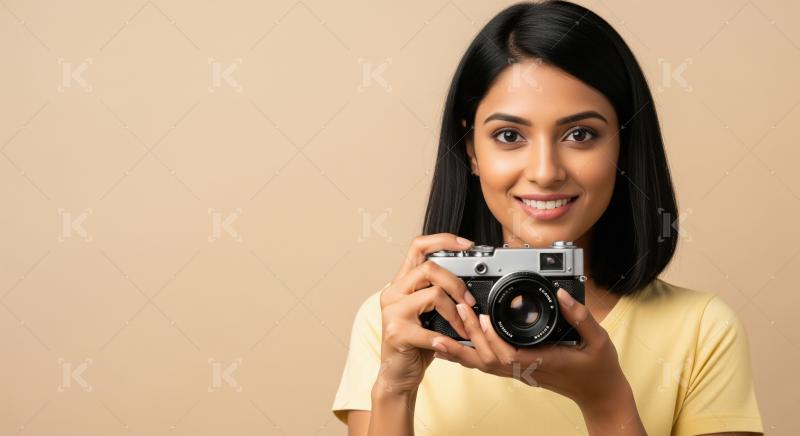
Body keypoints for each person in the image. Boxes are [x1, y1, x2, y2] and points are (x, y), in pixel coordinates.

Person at [331, 1, 764, 435]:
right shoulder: (402, 318)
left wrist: (606, 400)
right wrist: (394, 388)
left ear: (623, 148)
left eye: (580, 134)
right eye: (509, 135)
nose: (544, 171)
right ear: (471, 150)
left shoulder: (702, 330)